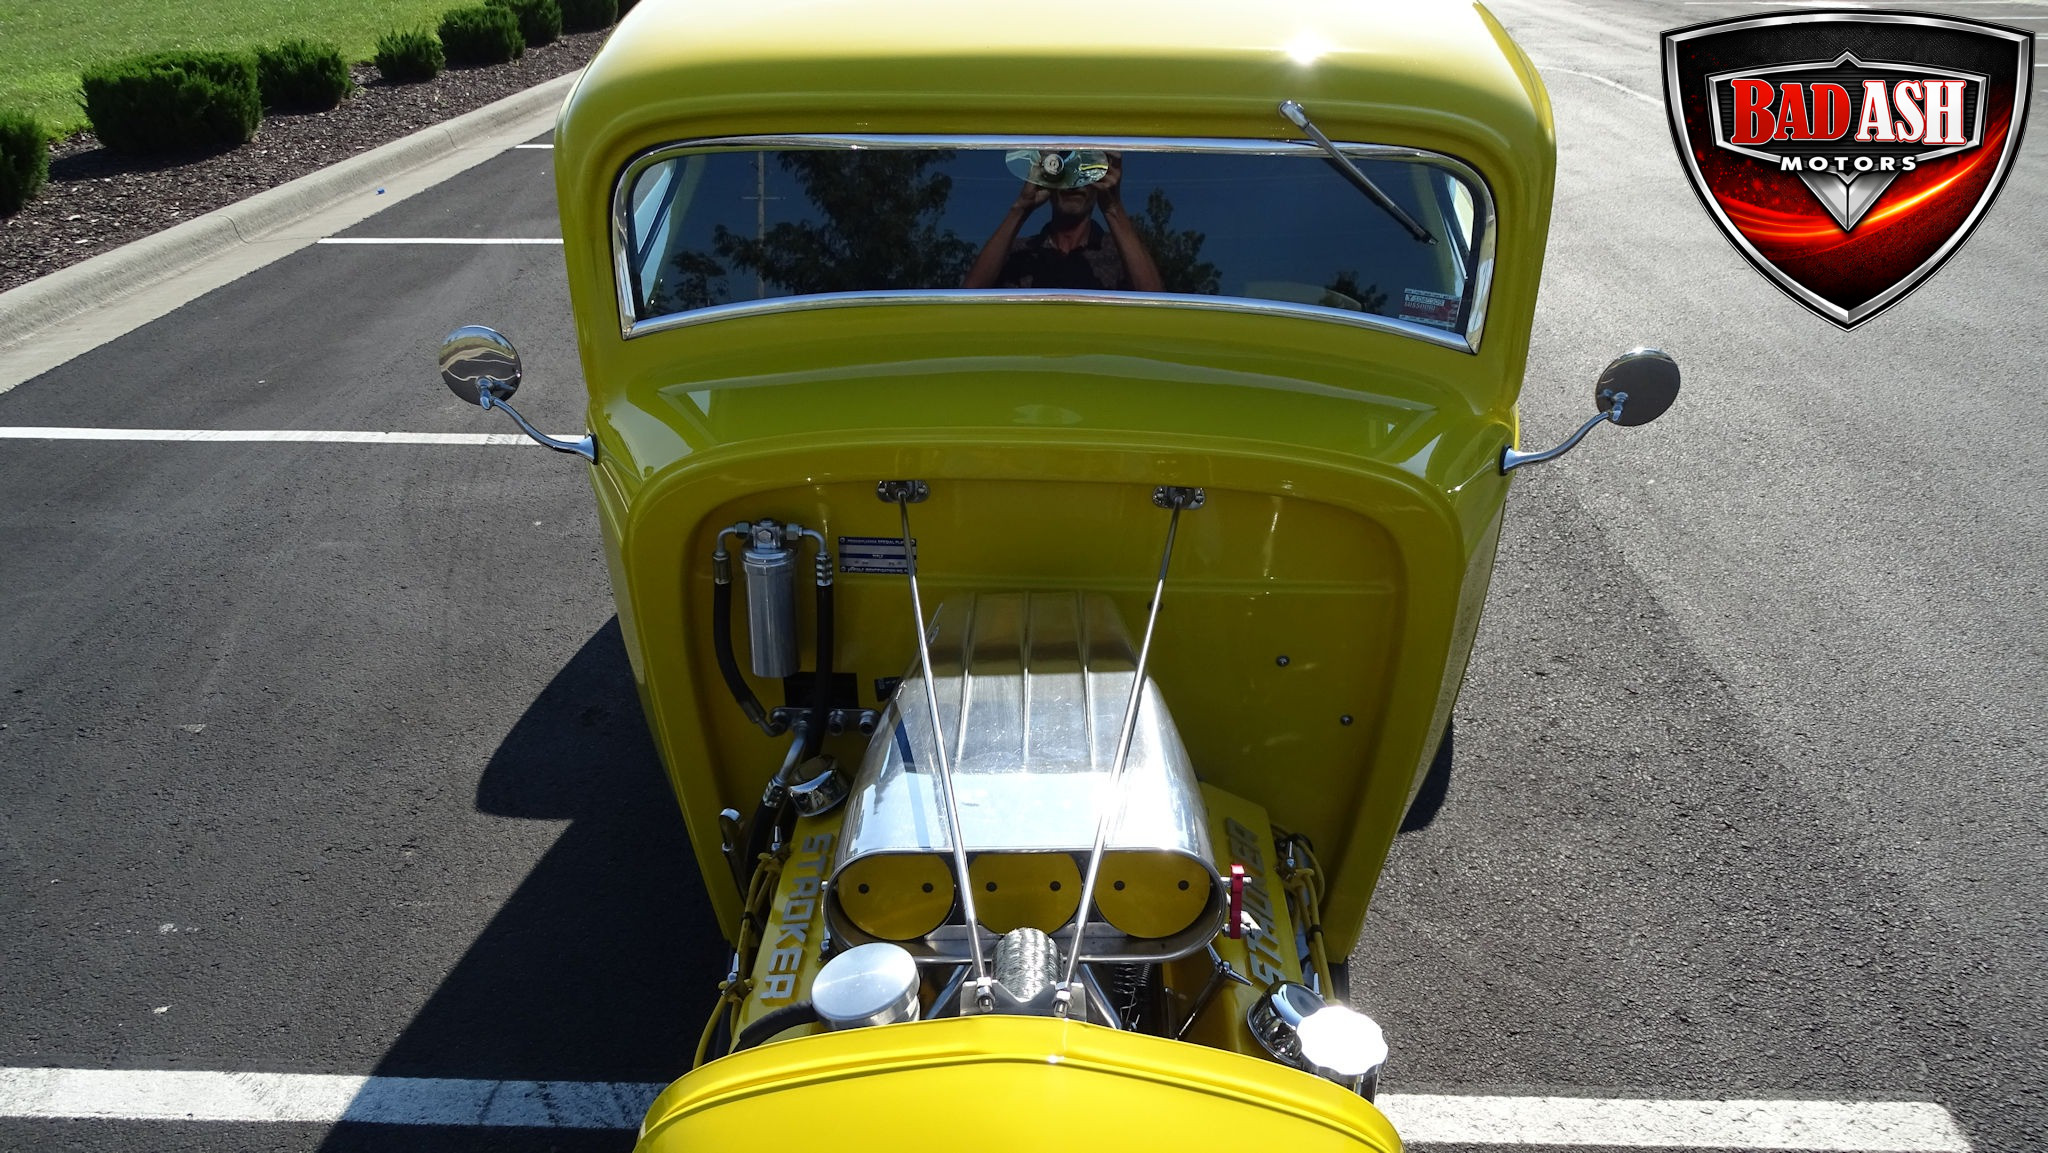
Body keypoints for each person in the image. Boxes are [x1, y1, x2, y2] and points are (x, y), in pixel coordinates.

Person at [962, 152, 1164, 292]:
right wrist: (1021, 208)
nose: (1074, 185)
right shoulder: (1019, 254)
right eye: (1064, 171)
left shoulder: (1120, 253)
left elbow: (1157, 306)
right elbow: (968, 297)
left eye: (1085, 172)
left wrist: (1113, 207)